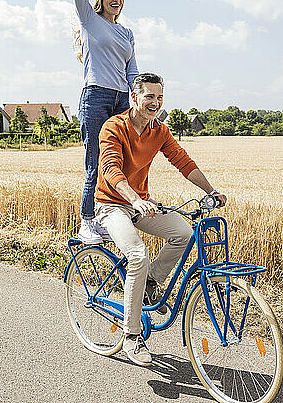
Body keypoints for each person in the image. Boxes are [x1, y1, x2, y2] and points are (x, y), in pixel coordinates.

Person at [92, 73, 227, 366]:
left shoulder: (159, 131)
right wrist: (136, 199)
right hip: (112, 204)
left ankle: (152, 280)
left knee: (184, 233)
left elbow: (182, 161)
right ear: (134, 97)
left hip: (141, 205)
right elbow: (111, 169)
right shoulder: (113, 127)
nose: (155, 103)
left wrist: (211, 190)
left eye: (160, 97)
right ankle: (131, 335)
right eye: (149, 96)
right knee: (138, 255)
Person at [44, 0, 139, 240]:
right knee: (96, 160)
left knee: (125, 160)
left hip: (122, 102)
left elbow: (133, 74)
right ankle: (88, 221)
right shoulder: (89, 19)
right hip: (96, 97)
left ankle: (118, 213)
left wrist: (143, 104)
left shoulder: (127, 33)